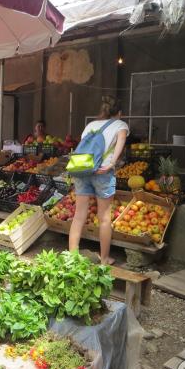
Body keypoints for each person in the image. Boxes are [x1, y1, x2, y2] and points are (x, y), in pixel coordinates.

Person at [69, 96, 129, 265]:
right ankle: (104, 259)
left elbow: (83, 147)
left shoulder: (90, 126)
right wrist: (111, 163)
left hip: (82, 169)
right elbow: (120, 143)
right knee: (104, 218)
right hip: (102, 172)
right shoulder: (121, 125)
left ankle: (72, 258)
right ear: (119, 113)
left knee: (79, 215)